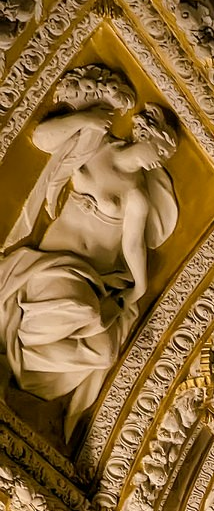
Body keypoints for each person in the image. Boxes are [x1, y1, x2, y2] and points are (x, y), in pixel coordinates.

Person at [0, 69, 179, 440]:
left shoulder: (137, 196)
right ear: (144, 134)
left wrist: (137, 291)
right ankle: (24, 343)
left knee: (104, 354)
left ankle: (24, 360)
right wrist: (83, 118)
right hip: (50, 264)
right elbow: (42, 137)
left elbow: (132, 248)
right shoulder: (96, 142)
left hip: (88, 278)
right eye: (158, 150)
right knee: (84, 312)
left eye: (163, 157)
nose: (157, 161)